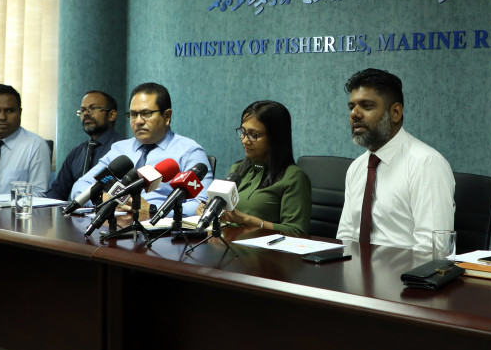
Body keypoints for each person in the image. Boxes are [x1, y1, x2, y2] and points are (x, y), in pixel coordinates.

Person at [335, 68, 455, 252]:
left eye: (366, 106)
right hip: (356, 269)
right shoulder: (357, 167)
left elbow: (434, 248)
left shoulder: (426, 164)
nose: (354, 114)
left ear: (395, 112)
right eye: (351, 107)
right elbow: (346, 236)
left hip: (407, 270)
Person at [72, 82, 212, 213]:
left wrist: (153, 210)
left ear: (166, 116)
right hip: (115, 224)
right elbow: (79, 187)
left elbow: (201, 204)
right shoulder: (120, 149)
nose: (138, 121)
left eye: (146, 113)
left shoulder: (188, 151)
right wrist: (102, 198)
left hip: (159, 227)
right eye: (133, 114)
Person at [197, 100, 312, 236]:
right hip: (228, 242)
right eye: (243, 132)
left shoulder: (294, 177)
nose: (245, 140)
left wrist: (247, 220)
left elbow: (297, 231)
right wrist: (210, 209)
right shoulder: (237, 169)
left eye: (254, 135)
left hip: (264, 248)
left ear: (275, 137)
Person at [46, 90, 122, 201]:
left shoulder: (122, 150)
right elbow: (56, 192)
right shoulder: (76, 153)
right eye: (82, 110)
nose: (86, 113)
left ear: (111, 115)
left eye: (92, 108)